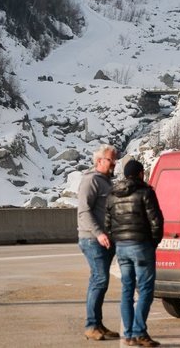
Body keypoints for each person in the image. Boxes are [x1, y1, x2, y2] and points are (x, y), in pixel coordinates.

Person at [105, 159, 164, 347]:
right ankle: (140, 332)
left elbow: (107, 224)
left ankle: (128, 335)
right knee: (146, 290)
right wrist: (152, 243)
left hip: (122, 247)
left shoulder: (112, 195)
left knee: (127, 290)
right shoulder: (146, 192)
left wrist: (118, 241)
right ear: (140, 173)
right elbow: (156, 221)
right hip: (142, 245)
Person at [78, 143, 120, 341]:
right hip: (93, 240)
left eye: (115, 160)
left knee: (100, 281)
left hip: (105, 240)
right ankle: (91, 325)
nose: (114, 163)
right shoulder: (91, 181)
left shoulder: (107, 182)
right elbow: (84, 211)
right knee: (99, 279)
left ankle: (98, 324)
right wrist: (99, 234)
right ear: (99, 161)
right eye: (111, 160)